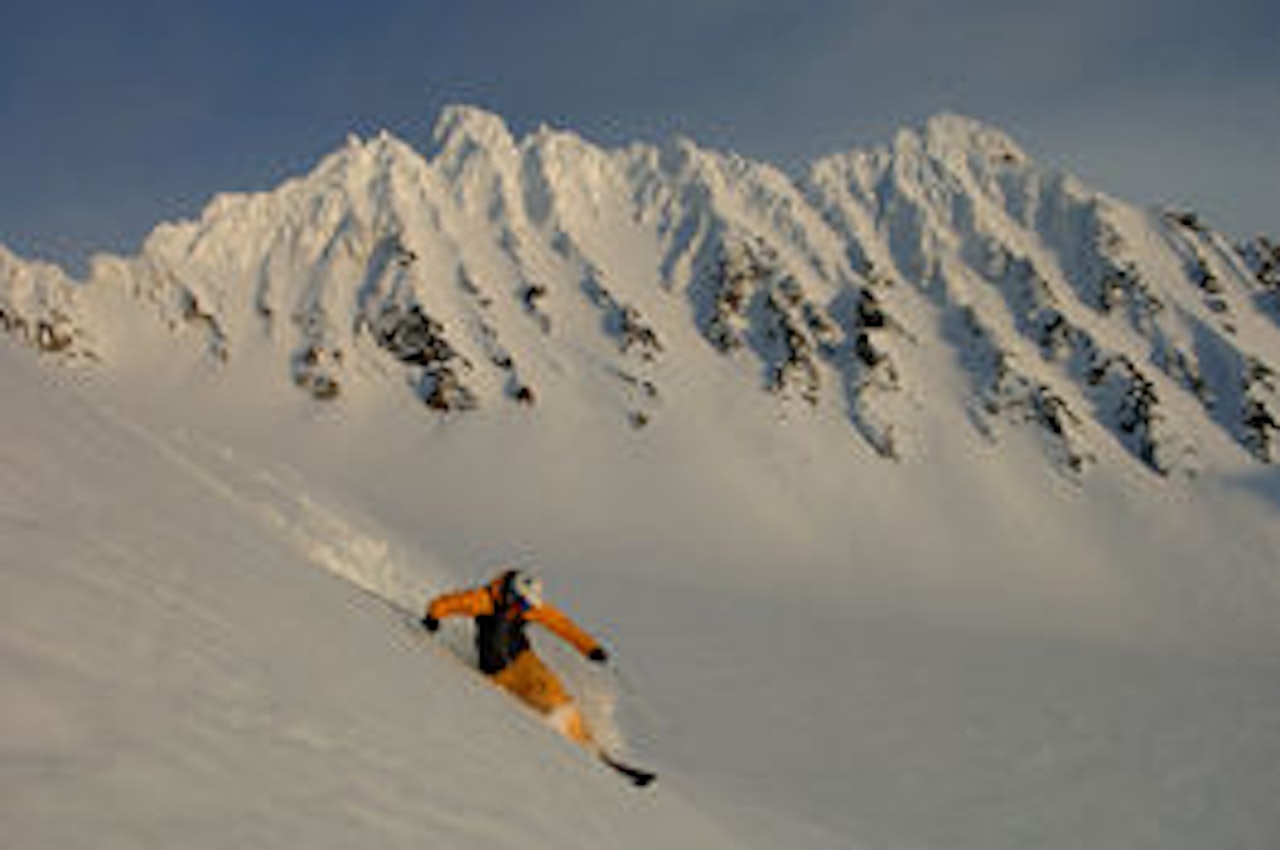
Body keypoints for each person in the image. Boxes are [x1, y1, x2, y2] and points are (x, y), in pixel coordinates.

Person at [422, 568, 608, 749]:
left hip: (524, 659)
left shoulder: (527, 609)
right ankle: (558, 734)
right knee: (530, 700)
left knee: (552, 688)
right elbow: (452, 602)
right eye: (524, 605)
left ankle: (582, 738)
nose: (526, 609)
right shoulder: (484, 601)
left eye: (529, 606)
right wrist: (433, 616)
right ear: (511, 595)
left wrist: (590, 648)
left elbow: (561, 624)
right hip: (498, 672)